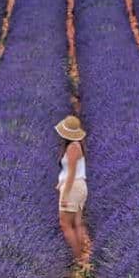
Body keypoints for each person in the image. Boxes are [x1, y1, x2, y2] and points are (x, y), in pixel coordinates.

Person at [55, 114, 88, 266]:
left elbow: (71, 173)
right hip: (80, 186)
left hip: (72, 188)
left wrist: (65, 194)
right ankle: (81, 258)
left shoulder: (72, 148)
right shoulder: (77, 145)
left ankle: (78, 259)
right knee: (77, 223)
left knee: (65, 224)